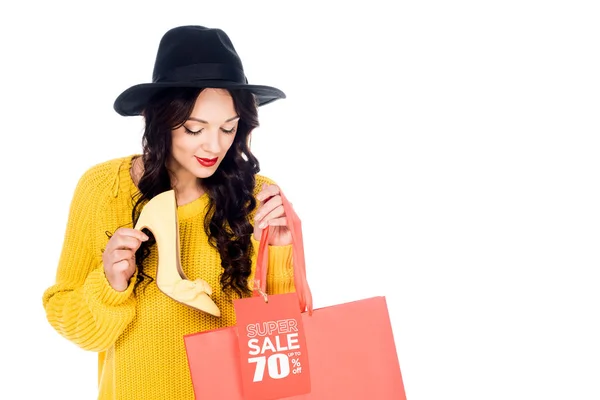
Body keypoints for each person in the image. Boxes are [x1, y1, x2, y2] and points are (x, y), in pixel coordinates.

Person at [42, 25, 298, 399]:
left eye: (228, 128)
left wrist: (278, 252)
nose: (215, 145)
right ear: (157, 119)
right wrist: (111, 284)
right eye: (195, 129)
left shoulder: (257, 196)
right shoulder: (102, 189)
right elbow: (75, 326)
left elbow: (282, 340)